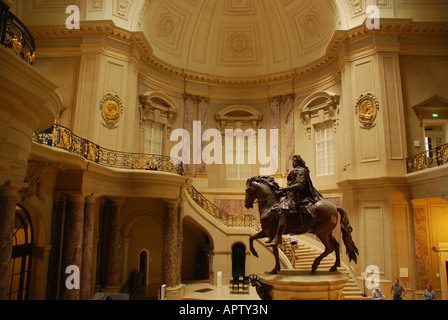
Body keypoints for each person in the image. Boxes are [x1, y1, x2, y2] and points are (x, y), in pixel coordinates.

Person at [266, 155, 324, 247]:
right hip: (292, 195)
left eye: (294, 161)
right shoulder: (296, 171)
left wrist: (286, 189)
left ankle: (278, 238)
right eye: (292, 161)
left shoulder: (301, 170)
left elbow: (300, 185)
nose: (293, 162)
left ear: (299, 161)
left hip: (300, 196)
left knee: (282, 209)